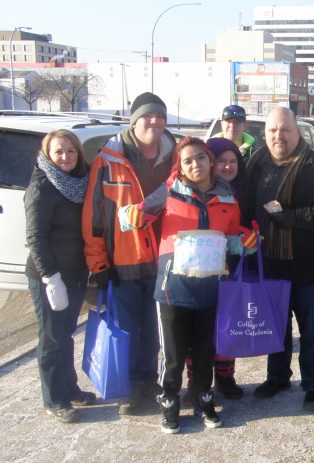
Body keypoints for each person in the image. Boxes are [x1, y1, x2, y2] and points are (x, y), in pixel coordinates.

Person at [118, 136, 257, 433]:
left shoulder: (228, 196)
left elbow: (231, 240)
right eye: (188, 160)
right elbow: (138, 215)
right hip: (173, 289)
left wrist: (247, 242)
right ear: (180, 166)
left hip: (209, 289)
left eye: (201, 158)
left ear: (210, 160)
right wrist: (129, 216)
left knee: (205, 352)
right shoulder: (170, 191)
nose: (196, 164)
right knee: (174, 355)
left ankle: (202, 398)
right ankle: (169, 403)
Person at [243, 107, 314, 412]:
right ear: (265, 133)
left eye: (285, 130)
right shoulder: (256, 163)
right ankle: (277, 377)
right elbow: (248, 209)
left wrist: (292, 218)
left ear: (297, 132)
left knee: (313, 331)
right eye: (273, 130)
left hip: (309, 266)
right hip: (269, 264)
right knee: (275, 327)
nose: (279, 136)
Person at [82, 92, 177, 415]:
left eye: (160, 117)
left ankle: (150, 379)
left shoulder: (176, 157)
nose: (154, 122)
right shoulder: (109, 160)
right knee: (126, 328)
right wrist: (98, 262)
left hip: (165, 259)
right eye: (147, 117)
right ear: (134, 121)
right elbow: (94, 217)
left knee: (154, 329)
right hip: (123, 260)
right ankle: (128, 388)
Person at [25, 130, 95, 423]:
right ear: (47, 155)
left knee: (65, 334)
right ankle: (54, 399)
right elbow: (35, 237)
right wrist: (50, 278)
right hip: (50, 276)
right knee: (51, 338)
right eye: (58, 152)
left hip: (76, 272)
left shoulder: (80, 183)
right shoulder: (42, 188)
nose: (65, 157)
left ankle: (70, 389)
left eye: (71, 151)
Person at [181, 137, 248, 401]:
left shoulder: (241, 190)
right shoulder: (188, 189)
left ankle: (225, 376)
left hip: (231, 267)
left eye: (233, 162)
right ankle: (195, 380)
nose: (228, 167)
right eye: (222, 161)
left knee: (225, 324)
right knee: (193, 329)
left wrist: (249, 238)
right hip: (195, 270)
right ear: (210, 161)